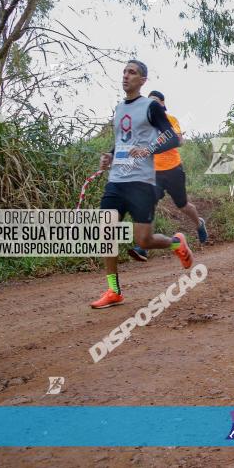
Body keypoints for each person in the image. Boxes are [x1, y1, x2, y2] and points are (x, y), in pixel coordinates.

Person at [92, 60, 193, 309]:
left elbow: (172, 138)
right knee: (106, 231)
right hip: (117, 179)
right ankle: (113, 290)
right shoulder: (118, 109)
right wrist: (110, 156)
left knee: (145, 241)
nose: (126, 76)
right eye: (124, 72)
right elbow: (124, 141)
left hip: (142, 182)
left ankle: (176, 243)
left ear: (143, 80)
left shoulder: (150, 106)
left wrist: (148, 149)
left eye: (132, 72)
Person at [128, 90, 208, 262]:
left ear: (162, 104)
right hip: (153, 172)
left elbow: (178, 140)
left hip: (173, 169)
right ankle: (142, 246)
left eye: (156, 101)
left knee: (183, 205)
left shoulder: (170, 120)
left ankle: (199, 224)